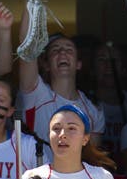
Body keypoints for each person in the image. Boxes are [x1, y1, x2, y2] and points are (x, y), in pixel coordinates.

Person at [17, 16, 105, 146]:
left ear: (78, 64)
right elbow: (27, 45)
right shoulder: (36, 94)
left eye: (69, 50)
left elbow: (93, 159)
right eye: (55, 50)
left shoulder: (94, 110)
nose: (62, 52)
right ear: (46, 65)